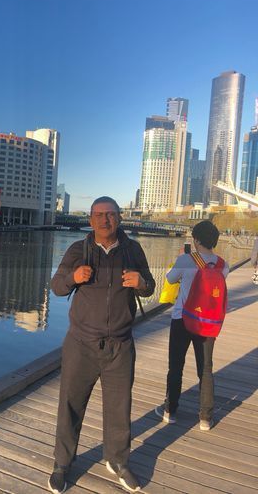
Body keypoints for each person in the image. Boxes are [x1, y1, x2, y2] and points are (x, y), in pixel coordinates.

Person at [47, 196, 154, 493]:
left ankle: (118, 461)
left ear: (119, 218)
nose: (104, 220)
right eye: (98, 215)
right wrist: (73, 277)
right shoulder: (78, 250)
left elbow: (150, 286)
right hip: (81, 343)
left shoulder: (132, 250)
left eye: (110, 214)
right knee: (70, 405)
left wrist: (141, 282)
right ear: (91, 219)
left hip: (120, 345)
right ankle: (62, 464)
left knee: (120, 408)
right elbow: (56, 287)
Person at [156, 221, 226, 430]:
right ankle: (205, 418)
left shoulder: (186, 260)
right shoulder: (222, 264)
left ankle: (170, 411)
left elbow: (170, 279)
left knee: (175, 366)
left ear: (195, 240)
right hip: (208, 323)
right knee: (205, 369)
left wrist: (180, 261)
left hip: (182, 319)